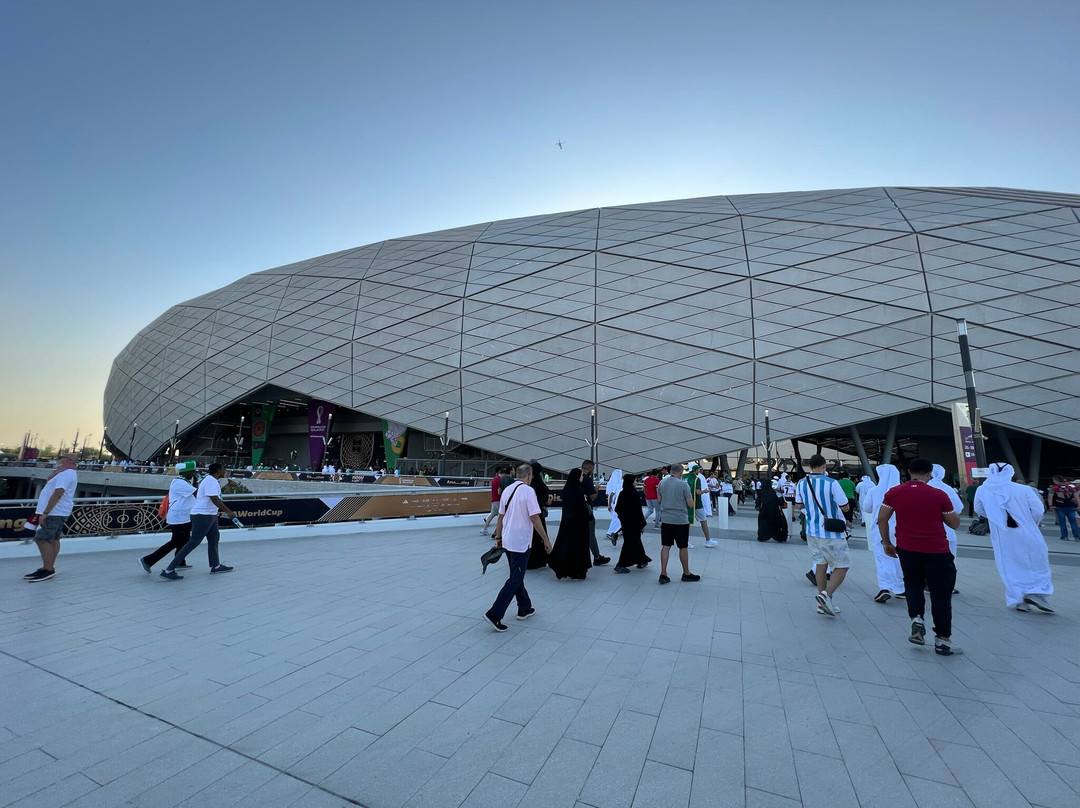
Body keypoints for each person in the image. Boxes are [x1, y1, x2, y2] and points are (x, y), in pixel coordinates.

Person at [877, 458, 963, 655]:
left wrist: (886, 542)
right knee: (941, 594)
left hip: (907, 549)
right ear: (929, 473)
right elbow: (954, 524)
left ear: (909, 471)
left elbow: (882, 519)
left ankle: (916, 618)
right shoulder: (939, 494)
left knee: (913, 584)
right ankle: (943, 640)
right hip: (936, 551)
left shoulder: (894, 493)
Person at [975, 463, 1055, 613]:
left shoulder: (982, 490)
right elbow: (1038, 510)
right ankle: (1036, 592)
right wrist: (1030, 522)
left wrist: (995, 518)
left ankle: (1019, 598)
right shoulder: (1024, 489)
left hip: (1002, 535)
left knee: (1010, 565)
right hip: (1027, 531)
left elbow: (979, 509)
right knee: (1036, 561)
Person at [485, 463, 551, 631]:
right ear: (529, 476)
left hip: (507, 540)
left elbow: (501, 517)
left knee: (516, 574)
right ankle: (495, 613)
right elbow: (535, 517)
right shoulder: (528, 491)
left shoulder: (507, 490)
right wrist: (546, 539)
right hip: (520, 542)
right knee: (515, 578)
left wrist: (499, 537)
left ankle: (524, 607)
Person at [794, 455, 852, 617]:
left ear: (810, 466)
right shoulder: (831, 483)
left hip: (811, 531)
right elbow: (845, 507)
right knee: (842, 565)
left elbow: (798, 505)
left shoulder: (802, 483)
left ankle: (823, 604)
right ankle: (827, 595)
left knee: (820, 564)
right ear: (824, 466)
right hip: (830, 532)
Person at [162, 463, 238, 579]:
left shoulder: (211, 480)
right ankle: (169, 570)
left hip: (210, 515)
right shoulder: (210, 481)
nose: (225, 472)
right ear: (218, 470)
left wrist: (227, 486)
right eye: (224, 469)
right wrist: (229, 511)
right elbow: (214, 499)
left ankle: (216, 565)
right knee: (194, 542)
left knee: (214, 539)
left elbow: (215, 495)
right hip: (203, 515)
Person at [24, 453, 78, 582]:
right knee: (53, 539)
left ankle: (48, 569)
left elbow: (58, 493)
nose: (58, 460)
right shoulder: (66, 472)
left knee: (42, 539)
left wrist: (46, 512)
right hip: (57, 512)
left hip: (54, 512)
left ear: (68, 460)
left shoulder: (66, 473)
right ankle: (48, 567)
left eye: (61, 458)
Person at [140, 462, 199, 573]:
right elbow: (197, 493)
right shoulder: (179, 483)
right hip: (179, 518)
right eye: (192, 471)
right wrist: (198, 480)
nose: (193, 474)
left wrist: (195, 480)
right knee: (175, 542)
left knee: (183, 540)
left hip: (184, 517)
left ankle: (180, 562)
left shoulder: (184, 482)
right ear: (185, 472)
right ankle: (147, 560)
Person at [863, 464, 905, 603]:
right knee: (899, 557)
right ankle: (900, 588)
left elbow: (867, 508)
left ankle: (885, 587)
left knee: (882, 557)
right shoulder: (902, 491)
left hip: (880, 528)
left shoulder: (873, 490)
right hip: (900, 528)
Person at [657, 463, 700, 584]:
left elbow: (659, 500)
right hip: (680, 520)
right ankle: (686, 573)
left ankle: (663, 574)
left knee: (666, 546)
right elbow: (690, 504)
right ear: (680, 472)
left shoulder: (662, 483)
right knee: (683, 547)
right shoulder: (683, 484)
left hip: (666, 519)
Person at [548, 468, 593, 580]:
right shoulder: (578, 490)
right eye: (581, 476)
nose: (582, 478)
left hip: (568, 522)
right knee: (578, 547)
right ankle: (578, 570)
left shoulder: (567, 488)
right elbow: (581, 507)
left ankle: (566, 568)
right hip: (579, 524)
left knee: (567, 545)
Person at [929, 464, 964, 593]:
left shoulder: (922, 487)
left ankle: (928, 582)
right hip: (946, 528)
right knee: (948, 559)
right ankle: (946, 585)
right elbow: (958, 508)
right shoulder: (946, 488)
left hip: (925, 528)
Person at [613, 473, 651, 572]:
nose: (636, 482)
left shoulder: (622, 493)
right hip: (634, 523)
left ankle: (642, 560)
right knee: (630, 542)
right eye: (635, 480)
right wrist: (642, 524)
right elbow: (638, 510)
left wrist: (623, 518)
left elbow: (618, 508)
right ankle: (621, 564)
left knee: (635, 541)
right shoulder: (634, 493)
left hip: (626, 523)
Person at [580, 460, 610, 565]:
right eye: (592, 469)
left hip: (576, 511)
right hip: (587, 511)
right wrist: (596, 489)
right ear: (589, 468)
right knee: (590, 534)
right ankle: (597, 556)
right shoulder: (587, 479)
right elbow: (592, 496)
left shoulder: (575, 478)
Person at [527, 460, 551, 570]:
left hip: (528, 513)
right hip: (537, 513)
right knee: (539, 536)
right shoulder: (539, 482)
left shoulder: (529, 482)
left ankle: (529, 560)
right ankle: (539, 559)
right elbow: (545, 494)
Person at [685, 462, 716, 547]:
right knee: (703, 521)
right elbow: (698, 492)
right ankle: (708, 540)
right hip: (697, 503)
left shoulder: (683, 477)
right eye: (698, 469)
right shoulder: (696, 479)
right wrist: (705, 491)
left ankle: (686, 541)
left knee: (686, 523)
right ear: (695, 470)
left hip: (685, 503)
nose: (699, 470)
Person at [1046, 474, 1079, 541]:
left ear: (1056, 480)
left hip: (1059, 506)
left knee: (1062, 522)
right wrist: (1079, 505)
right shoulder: (1071, 488)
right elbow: (1077, 498)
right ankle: (1077, 537)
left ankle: (1065, 536)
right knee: (1073, 522)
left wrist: (1050, 505)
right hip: (1070, 507)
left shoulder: (1053, 488)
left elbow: (1050, 497)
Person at [481, 467, 504, 534]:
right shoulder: (499, 480)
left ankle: (484, 528)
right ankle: (498, 531)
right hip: (498, 499)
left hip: (494, 499)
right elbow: (499, 490)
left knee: (492, 514)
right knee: (501, 515)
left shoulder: (494, 479)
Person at [604, 468, 624, 544]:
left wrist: (609, 505)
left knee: (618, 518)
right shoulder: (619, 484)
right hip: (616, 504)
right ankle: (610, 533)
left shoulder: (612, 483)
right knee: (616, 519)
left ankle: (619, 530)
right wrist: (609, 505)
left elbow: (609, 495)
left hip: (613, 503)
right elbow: (612, 494)